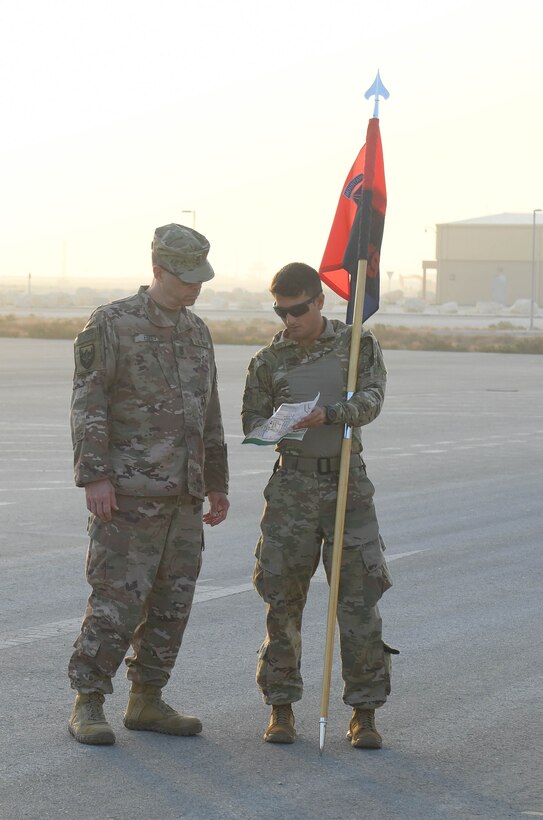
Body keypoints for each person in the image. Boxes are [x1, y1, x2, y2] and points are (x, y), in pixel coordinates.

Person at [68, 223, 229, 746]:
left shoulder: (196, 331)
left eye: (200, 278)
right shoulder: (112, 323)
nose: (194, 288)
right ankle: (88, 701)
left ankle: (148, 699)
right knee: (116, 600)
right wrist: (95, 475)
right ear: (157, 270)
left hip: (184, 494)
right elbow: (89, 401)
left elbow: (210, 412)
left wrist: (217, 482)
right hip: (130, 492)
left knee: (172, 603)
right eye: (185, 278)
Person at [242, 262, 395, 749]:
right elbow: (252, 423)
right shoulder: (269, 360)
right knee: (282, 601)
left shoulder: (356, 346)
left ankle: (364, 714)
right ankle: (281, 708)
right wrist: (278, 426)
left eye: (297, 310)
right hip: (291, 491)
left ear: (319, 301)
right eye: (280, 311)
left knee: (357, 603)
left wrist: (331, 414)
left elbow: (372, 400)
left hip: (347, 486)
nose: (289, 320)